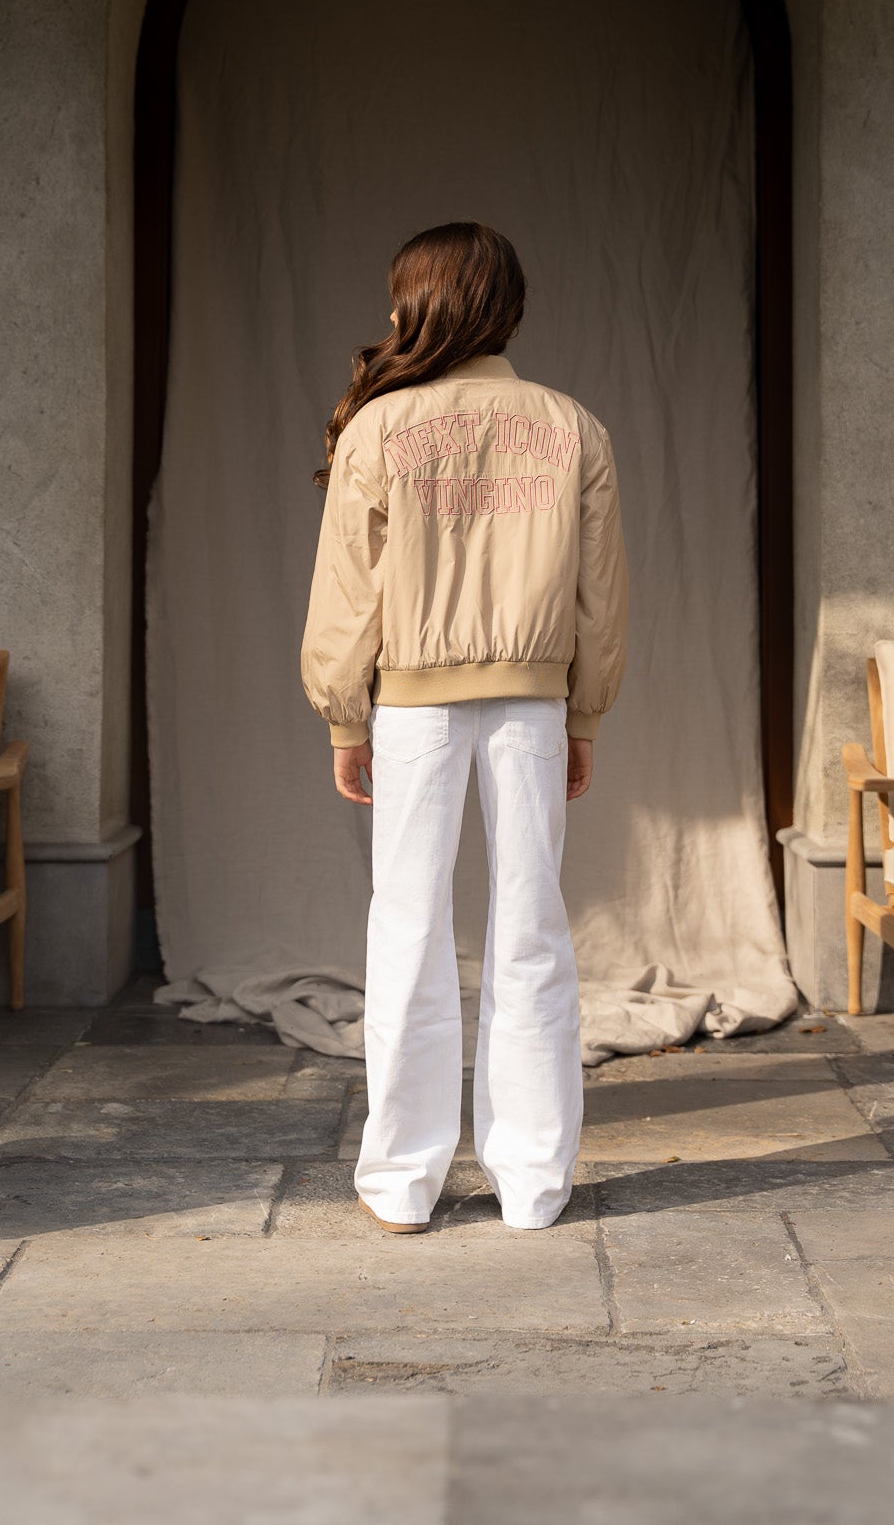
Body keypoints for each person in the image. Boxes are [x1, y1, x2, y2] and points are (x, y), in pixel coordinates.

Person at [300, 221, 628, 1233]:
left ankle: (402, 1183)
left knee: (407, 927)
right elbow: (601, 595)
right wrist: (585, 709)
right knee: (532, 930)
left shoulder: (378, 427)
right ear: (508, 307)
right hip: (534, 703)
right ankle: (533, 1182)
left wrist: (343, 716)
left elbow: (348, 592)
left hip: (411, 707)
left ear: (420, 303)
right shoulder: (573, 425)